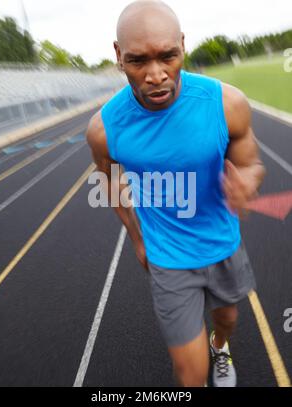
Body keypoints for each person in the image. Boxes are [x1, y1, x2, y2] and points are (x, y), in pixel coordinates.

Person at [86, 0, 266, 387]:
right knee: (189, 374)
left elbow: (252, 164)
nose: (156, 75)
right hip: (166, 257)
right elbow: (112, 182)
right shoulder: (104, 129)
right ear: (118, 56)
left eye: (168, 56)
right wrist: (137, 238)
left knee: (227, 320)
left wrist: (247, 182)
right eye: (137, 61)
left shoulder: (226, 103)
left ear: (182, 45)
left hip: (223, 243)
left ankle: (222, 348)